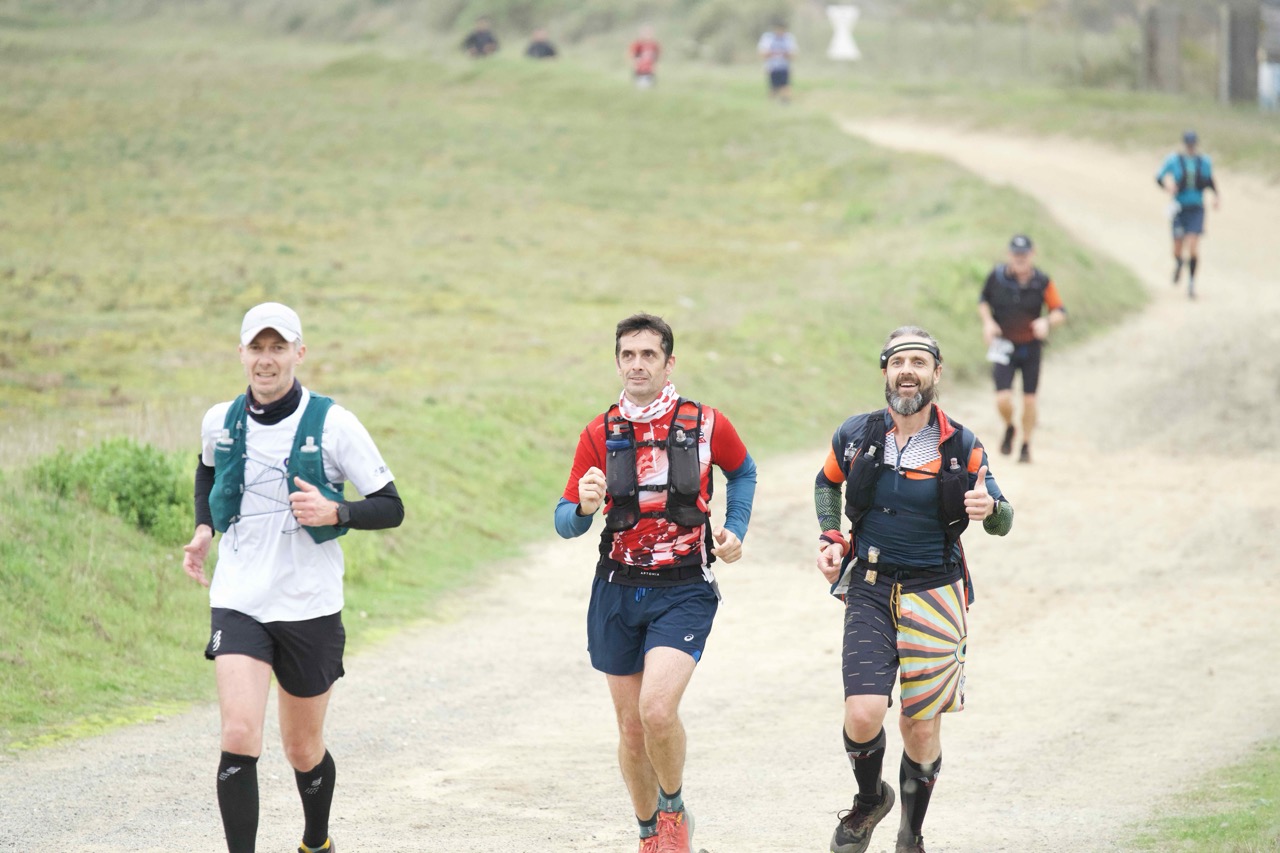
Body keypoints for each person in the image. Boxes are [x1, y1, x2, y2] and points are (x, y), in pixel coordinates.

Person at [182, 302, 405, 853]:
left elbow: (391, 506)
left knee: (302, 748)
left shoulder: (334, 424)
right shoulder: (219, 420)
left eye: (277, 347)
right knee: (239, 734)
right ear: (241, 354)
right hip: (239, 599)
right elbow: (207, 468)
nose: (266, 359)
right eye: (256, 348)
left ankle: (316, 842)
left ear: (298, 353)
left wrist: (337, 512)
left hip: (310, 604)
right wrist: (205, 527)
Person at [555, 313, 757, 853]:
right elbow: (564, 521)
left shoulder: (706, 423)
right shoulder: (599, 433)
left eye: (649, 354)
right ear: (617, 362)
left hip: (684, 587)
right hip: (617, 589)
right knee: (630, 728)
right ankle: (649, 833)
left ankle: (673, 814)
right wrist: (584, 507)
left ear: (669, 363)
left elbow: (743, 471)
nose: (637, 364)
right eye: (628, 354)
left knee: (657, 710)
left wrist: (734, 528)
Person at [814, 326, 1013, 853]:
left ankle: (911, 834)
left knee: (919, 728)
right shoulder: (856, 434)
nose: (908, 371)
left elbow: (1003, 517)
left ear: (935, 374)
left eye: (919, 363)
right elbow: (826, 482)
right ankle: (869, 800)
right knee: (862, 713)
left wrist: (991, 509)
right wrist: (831, 536)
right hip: (870, 586)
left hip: (936, 591)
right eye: (899, 362)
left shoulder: (961, 445)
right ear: (885, 371)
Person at [977, 234, 1067, 464]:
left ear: (1032, 254)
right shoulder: (996, 277)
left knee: (1029, 401)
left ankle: (1026, 444)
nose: (1020, 258)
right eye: (1016, 254)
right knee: (1002, 399)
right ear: (1009, 254)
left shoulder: (1042, 282)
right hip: (1004, 346)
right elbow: (983, 301)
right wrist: (988, 323)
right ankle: (1010, 426)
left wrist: (1046, 322)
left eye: (1024, 254)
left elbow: (1059, 311)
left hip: (1030, 348)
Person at [1154, 129, 1221, 299]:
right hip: (1179, 208)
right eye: (1188, 145)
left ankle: (1191, 283)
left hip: (1196, 208)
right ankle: (1179, 263)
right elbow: (1159, 177)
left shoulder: (1203, 162)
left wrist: (1216, 196)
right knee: (1177, 247)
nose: (1191, 148)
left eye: (1193, 145)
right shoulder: (1174, 160)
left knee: (1192, 245)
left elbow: (1209, 181)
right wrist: (1168, 187)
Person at [757, 20, 797, 102]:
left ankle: (785, 102)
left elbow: (793, 54)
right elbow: (762, 53)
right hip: (772, 67)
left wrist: (784, 54)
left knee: (785, 86)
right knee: (774, 88)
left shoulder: (788, 38)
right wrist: (773, 53)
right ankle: (771, 103)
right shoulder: (768, 38)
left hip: (784, 67)